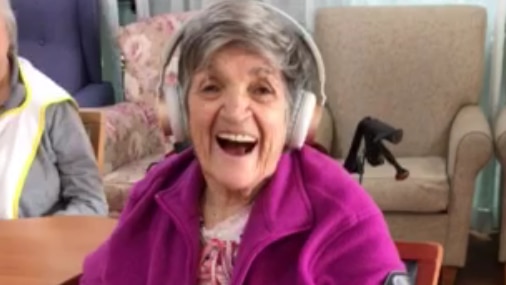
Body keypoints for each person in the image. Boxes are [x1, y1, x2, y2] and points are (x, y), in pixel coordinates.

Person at [81, 1, 409, 284]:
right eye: (211, 87)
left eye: (261, 89)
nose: (236, 112)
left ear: (295, 118)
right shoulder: (152, 197)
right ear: (181, 111)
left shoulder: (344, 217)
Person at [0, 0, 108, 218]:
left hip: (31, 248)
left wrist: (40, 241)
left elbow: (91, 204)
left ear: (9, 35)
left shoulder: (51, 107)